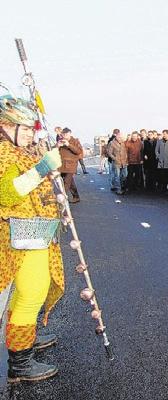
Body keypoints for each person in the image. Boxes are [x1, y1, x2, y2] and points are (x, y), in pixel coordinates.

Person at [0, 94, 64, 382]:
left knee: (27, 292)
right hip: (21, 235)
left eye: (30, 129)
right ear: (5, 126)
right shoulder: (4, 153)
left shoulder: (19, 151)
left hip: (35, 232)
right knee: (32, 292)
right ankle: (20, 364)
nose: (28, 134)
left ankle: (25, 340)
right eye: (23, 129)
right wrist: (41, 169)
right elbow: (7, 193)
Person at [58, 127, 83, 204]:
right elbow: (54, 151)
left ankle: (61, 199)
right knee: (70, 182)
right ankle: (76, 196)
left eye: (66, 134)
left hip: (71, 165)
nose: (64, 136)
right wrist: (57, 146)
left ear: (70, 133)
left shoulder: (75, 141)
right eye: (63, 134)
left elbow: (78, 151)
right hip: (62, 165)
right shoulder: (60, 141)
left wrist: (69, 145)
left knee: (66, 182)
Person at [106, 130, 128, 195]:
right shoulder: (112, 143)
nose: (120, 138)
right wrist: (114, 158)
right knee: (117, 176)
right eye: (119, 136)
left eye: (121, 136)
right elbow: (109, 153)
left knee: (124, 176)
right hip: (117, 162)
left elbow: (126, 151)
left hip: (124, 162)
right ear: (116, 136)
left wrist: (126, 157)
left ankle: (123, 187)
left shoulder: (123, 143)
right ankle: (118, 189)